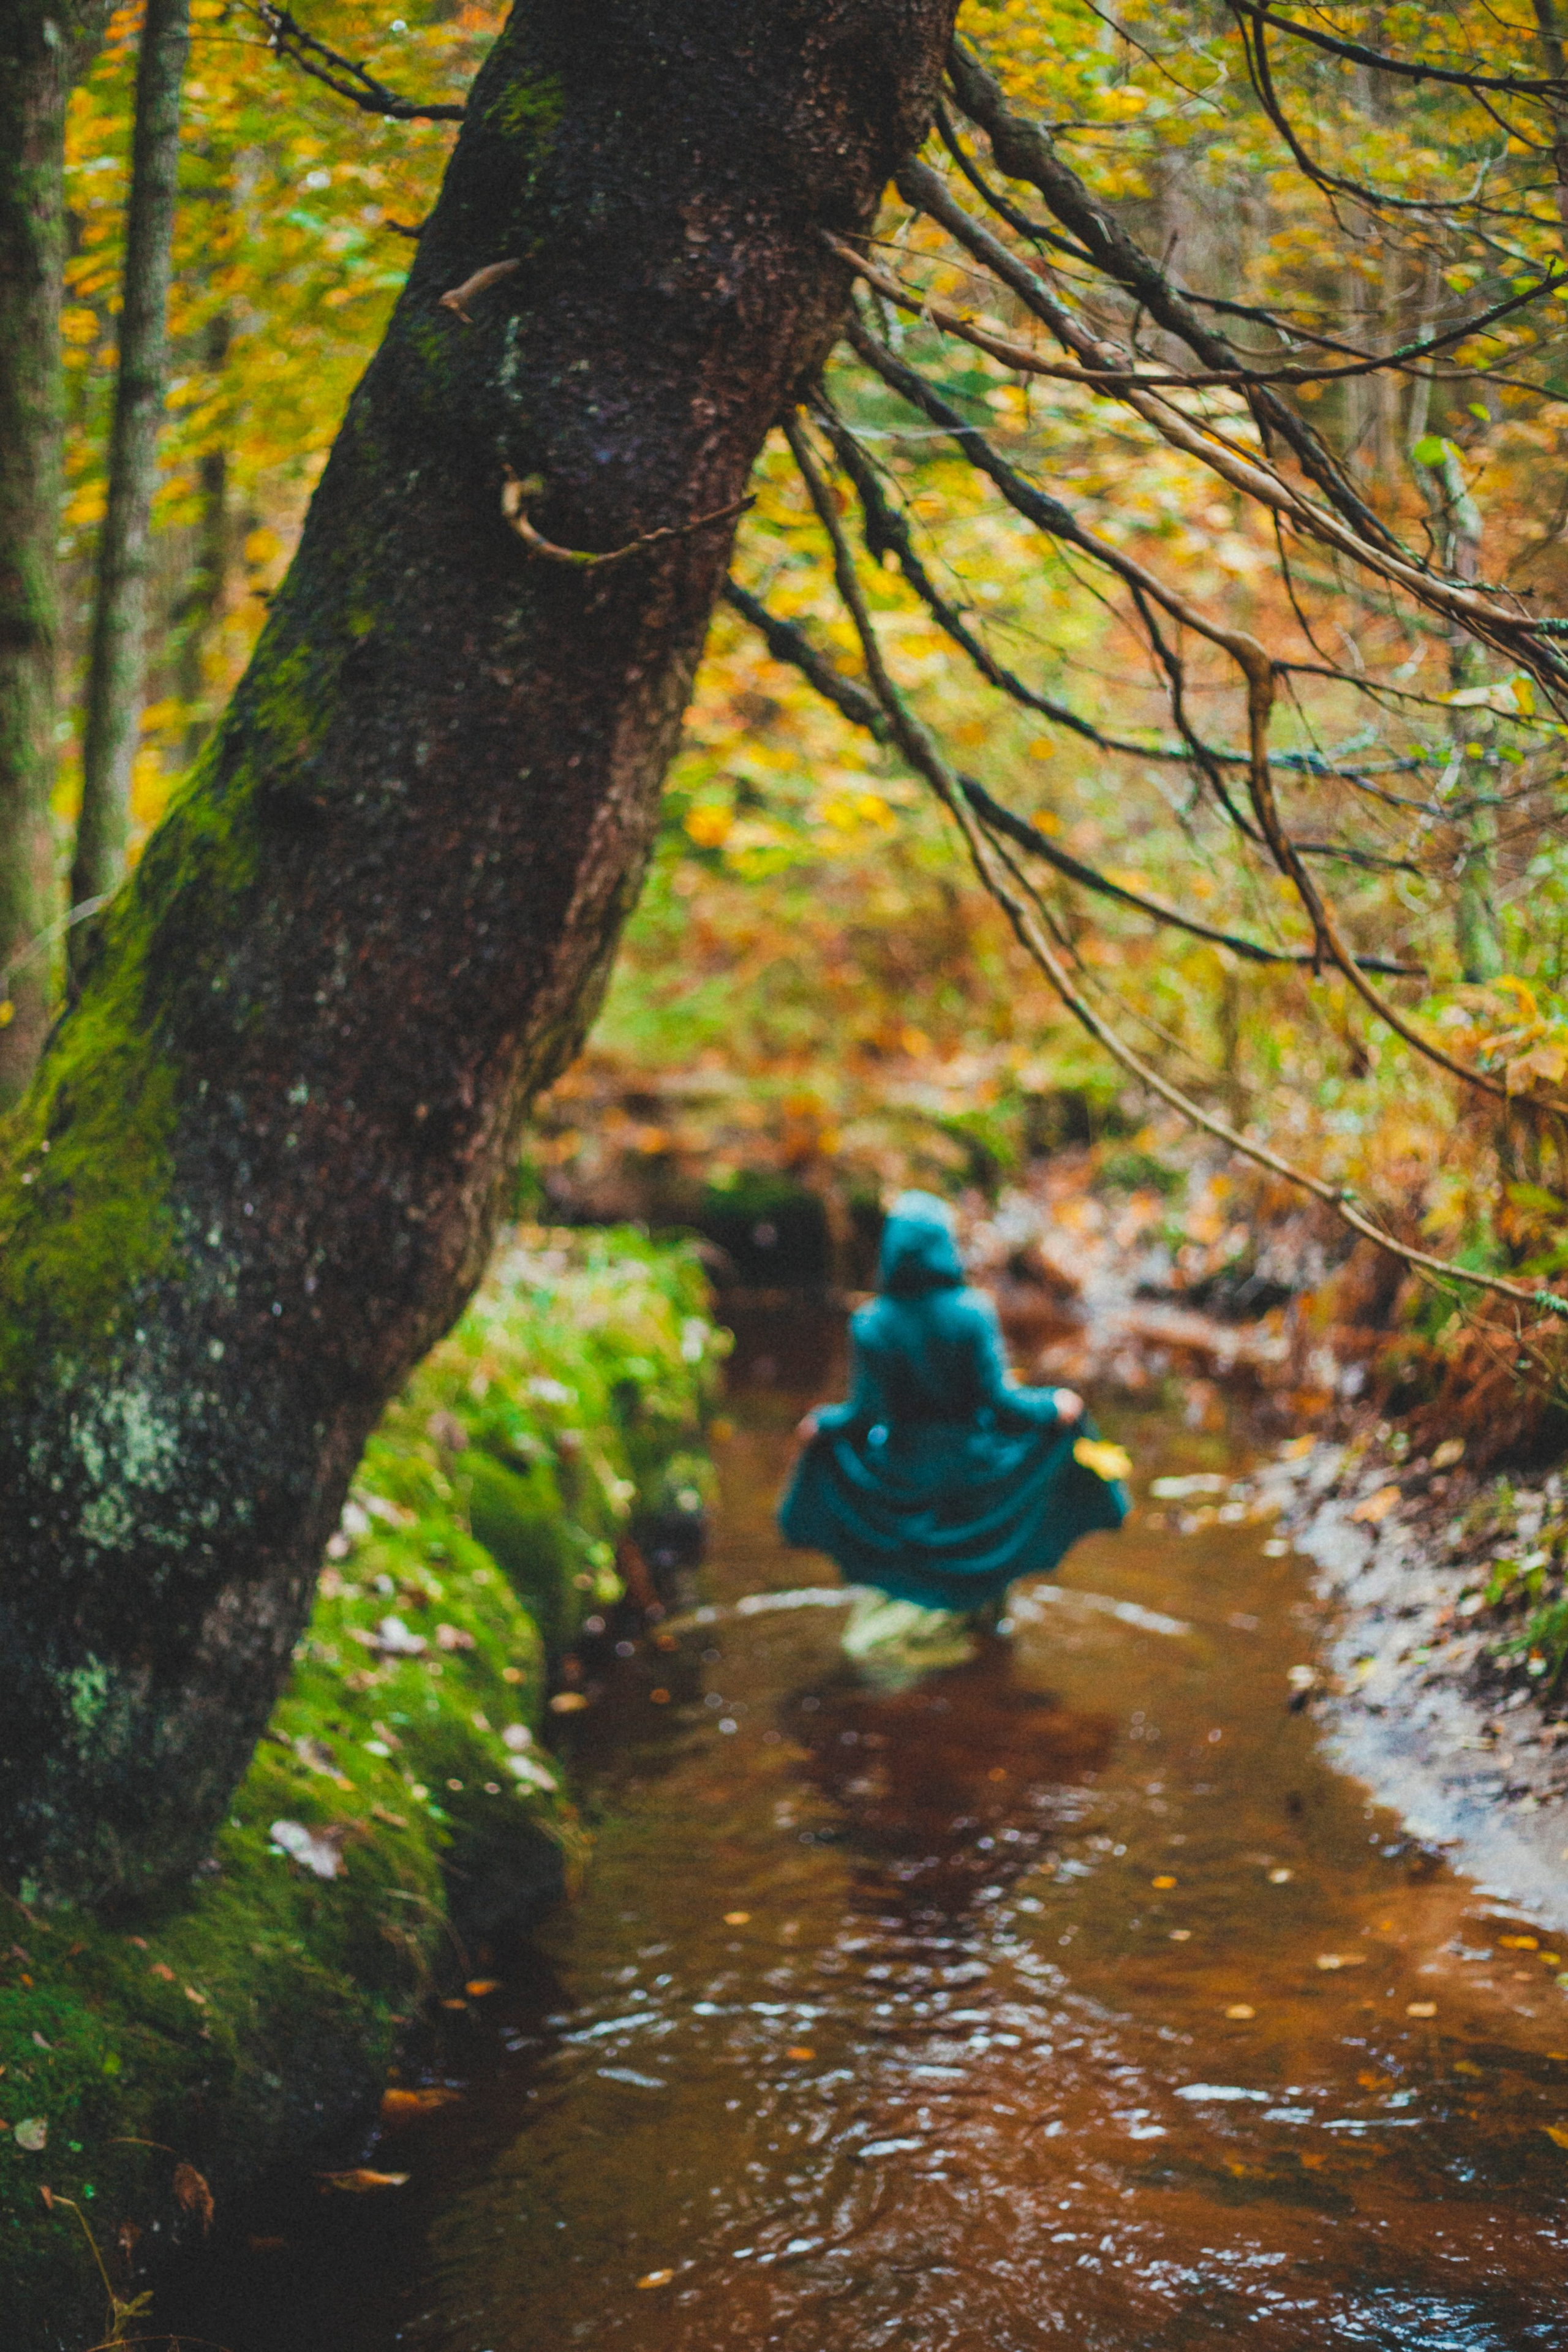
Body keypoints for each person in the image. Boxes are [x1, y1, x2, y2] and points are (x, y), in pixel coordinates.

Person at [778, 1190, 1129, 1675]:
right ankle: (982, 1652)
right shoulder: (972, 1312)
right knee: (980, 1561)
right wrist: (1054, 1405)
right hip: (973, 1470)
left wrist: (823, 1423)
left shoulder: (872, 1322)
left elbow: (864, 1417)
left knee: (913, 1571)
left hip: (905, 1471)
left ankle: (933, 1661)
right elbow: (1001, 1405)